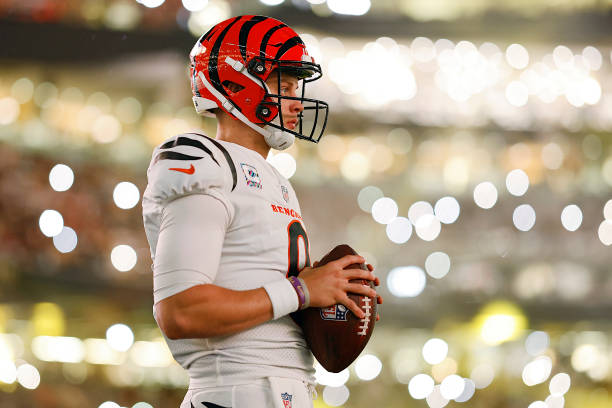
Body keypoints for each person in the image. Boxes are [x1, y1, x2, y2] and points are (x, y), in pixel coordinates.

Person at [142, 15, 382, 408]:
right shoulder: (206, 163)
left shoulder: (272, 179)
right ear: (237, 82)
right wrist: (303, 290)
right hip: (232, 393)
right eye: (283, 86)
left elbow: (261, 288)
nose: (296, 101)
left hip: (276, 393)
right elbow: (181, 311)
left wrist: (334, 291)